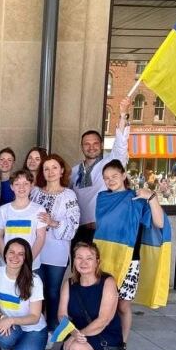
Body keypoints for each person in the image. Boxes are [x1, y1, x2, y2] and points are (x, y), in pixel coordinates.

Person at [95, 159, 164, 343]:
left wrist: (152, 197)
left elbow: (159, 223)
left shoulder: (136, 199)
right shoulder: (102, 198)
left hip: (128, 259)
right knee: (104, 304)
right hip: (103, 257)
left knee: (123, 305)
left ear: (124, 175)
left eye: (114, 176)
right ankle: (102, 342)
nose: (110, 180)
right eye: (106, 178)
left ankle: (121, 344)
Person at [30, 154, 80, 336]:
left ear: (61, 170)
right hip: (35, 249)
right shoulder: (34, 192)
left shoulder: (69, 195)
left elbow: (74, 224)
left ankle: (52, 329)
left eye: (54, 168)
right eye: (46, 168)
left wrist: (53, 222)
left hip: (56, 251)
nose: (50, 172)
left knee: (52, 291)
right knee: (35, 290)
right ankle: (35, 327)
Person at [57, 242, 123, 350]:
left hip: (104, 333)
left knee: (75, 348)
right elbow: (61, 314)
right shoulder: (69, 284)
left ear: (97, 261)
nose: (83, 262)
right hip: (79, 333)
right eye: (79, 257)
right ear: (73, 260)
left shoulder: (108, 282)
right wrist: (72, 332)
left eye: (89, 258)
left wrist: (77, 336)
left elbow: (103, 320)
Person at [70, 97, 130, 245]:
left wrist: (123, 115)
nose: (91, 147)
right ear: (81, 147)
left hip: (104, 230)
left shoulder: (110, 163)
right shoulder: (73, 172)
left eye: (95, 143)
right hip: (80, 232)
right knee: (80, 267)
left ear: (102, 145)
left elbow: (121, 145)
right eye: (87, 144)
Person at [0, 238, 48, 350]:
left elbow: (34, 317)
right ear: (5, 254)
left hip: (34, 329)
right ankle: (9, 349)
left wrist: (11, 320)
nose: (15, 257)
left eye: (21, 254)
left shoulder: (34, 280)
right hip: (12, 326)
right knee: (3, 339)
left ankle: (33, 345)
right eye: (11, 252)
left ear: (26, 257)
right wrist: (3, 318)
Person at [0, 170, 47, 270]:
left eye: (25, 183)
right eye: (17, 184)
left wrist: (28, 260)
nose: (21, 187)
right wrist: (7, 258)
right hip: (7, 265)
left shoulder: (39, 209)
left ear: (31, 186)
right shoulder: (3, 210)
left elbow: (40, 237)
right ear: (12, 187)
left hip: (30, 265)